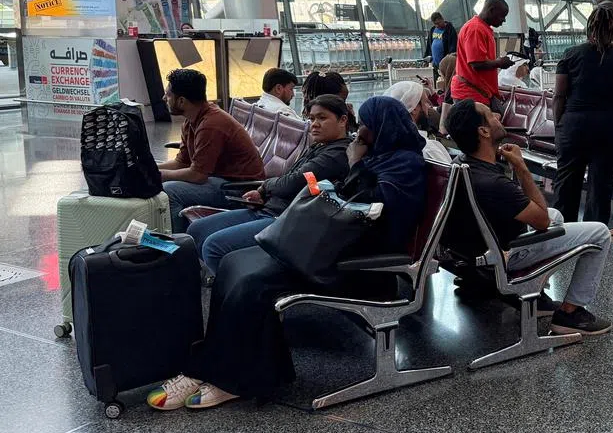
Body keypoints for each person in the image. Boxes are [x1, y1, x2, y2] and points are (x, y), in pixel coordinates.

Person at [147, 97, 426, 411]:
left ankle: (229, 378)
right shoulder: (380, 157)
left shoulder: (406, 164)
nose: (359, 132)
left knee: (253, 282)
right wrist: (358, 165)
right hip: (333, 248)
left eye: (365, 125)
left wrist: (356, 164)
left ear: (384, 128)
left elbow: (376, 213)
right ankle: (225, 367)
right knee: (233, 263)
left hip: (357, 263)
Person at [446, 98, 613, 335]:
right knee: (600, 233)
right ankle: (570, 313)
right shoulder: (492, 183)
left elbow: (536, 213)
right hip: (503, 256)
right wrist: (521, 168)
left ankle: (535, 294)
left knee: (556, 215)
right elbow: (540, 219)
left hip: (475, 255)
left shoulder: (462, 164)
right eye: (489, 114)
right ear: (483, 131)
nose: (496, 114)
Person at [186, 95, 352, 274]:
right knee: (197, 229)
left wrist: (265, 187)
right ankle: (228, 275)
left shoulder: (337, 154)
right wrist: (264, 193)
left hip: (285, 219)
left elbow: (292, 183)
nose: (314, 124)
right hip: (269, 208)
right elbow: (292, 181)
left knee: (213, 247)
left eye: (322, 118)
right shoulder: (321, 146)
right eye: (311, 118)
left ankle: (237, 285)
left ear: (342, 120)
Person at [552, 6, 613, 226]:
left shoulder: (570, 55)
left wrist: (559, 126)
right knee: (601, 187)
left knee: (566, 184)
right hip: (609, 127)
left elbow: (559, 95)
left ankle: (563, 235)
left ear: (588, 26)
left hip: (574, 125)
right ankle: (594, 237)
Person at [159, 69, 265, 234]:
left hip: (238, 189)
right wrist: (152, 168)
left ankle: (181, 244)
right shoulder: (192, 120)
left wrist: (158, 175)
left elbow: (197, 176)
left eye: (168, 95)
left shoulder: (211, 124)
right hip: (218, 179)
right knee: (162, 181)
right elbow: (182, 162)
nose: (164, 98)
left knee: (169, 191)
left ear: (181, 101)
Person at [451, 0, 513, 107]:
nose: (504, 20)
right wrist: (499, 63)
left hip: (477, 93)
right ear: (492, 10)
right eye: (502, 16)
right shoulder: (475, 29)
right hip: (472, 96)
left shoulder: (480, 28)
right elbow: (476, 63)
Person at [385, 81, 451, 165]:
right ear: (414, 108)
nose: (429, 107)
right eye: (426, 102)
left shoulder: (387, 146)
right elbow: (453, 176)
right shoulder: (428, 149)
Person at [423, 11, 458, 81]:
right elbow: (429, 45)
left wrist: (450, 58)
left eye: (438, 23)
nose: (437, 25)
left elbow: (453, 44)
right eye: (435, 24)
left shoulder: (450, 29)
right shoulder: (433, 30)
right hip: (435, 63)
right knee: (438, 82)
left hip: (445, 63)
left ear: (442, 19)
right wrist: (426, 57)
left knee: (447, 81)